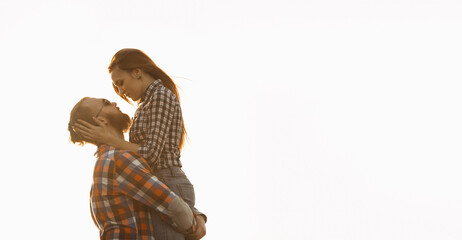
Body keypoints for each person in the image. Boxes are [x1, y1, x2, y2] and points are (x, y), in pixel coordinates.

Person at [74, 49, 206, 240]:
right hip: (163, 179)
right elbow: (166, 199)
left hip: (167, 177)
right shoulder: (118, 158)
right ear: (101, 120)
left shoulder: (160, 96)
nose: (119, 94)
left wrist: (112, 140)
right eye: (115, 87)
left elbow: (150, 156)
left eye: (120, 83)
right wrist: (196, 221)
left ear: (137, 72)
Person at [68, 97, 200, 240]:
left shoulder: (106, 160)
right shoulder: (119, 160)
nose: (114, 103)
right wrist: (197, 224)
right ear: (101, 120)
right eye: (106, 103)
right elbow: (173, 206)